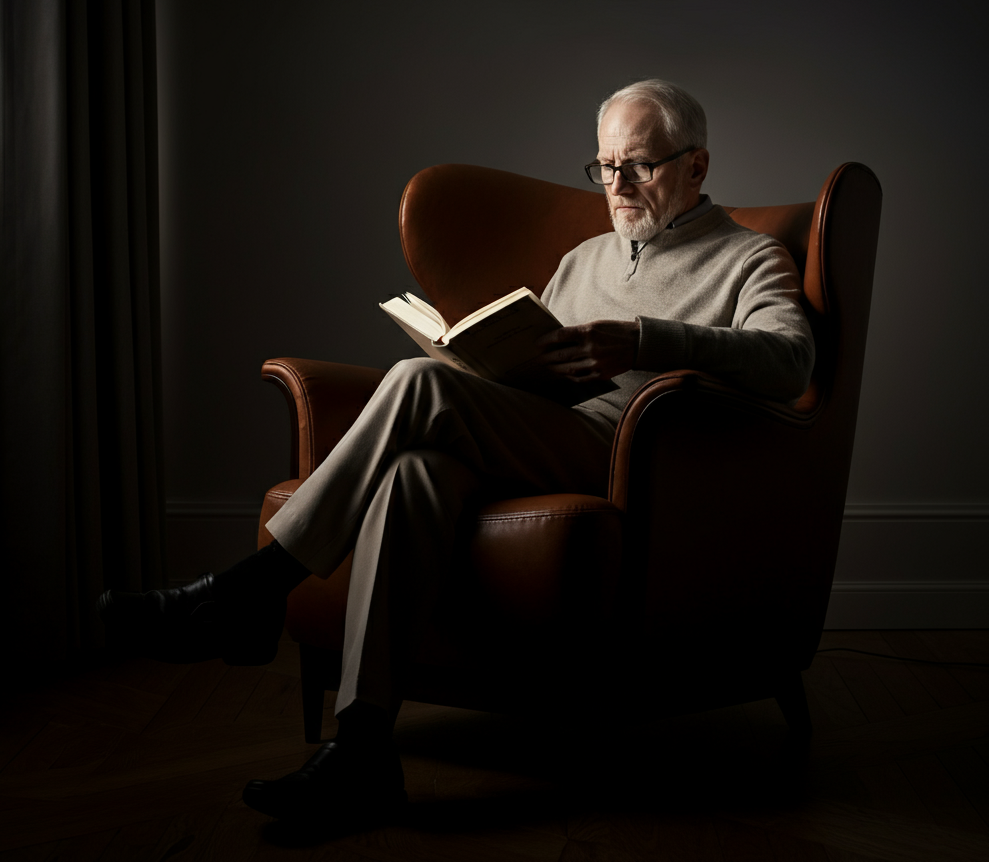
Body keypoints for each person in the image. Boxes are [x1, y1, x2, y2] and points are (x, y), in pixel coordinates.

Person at [98, 79, 815, 825]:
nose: (617, 185)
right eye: (605, 166)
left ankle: (252, 590)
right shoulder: (586, 256)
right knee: (415, 471)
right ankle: (364, 748)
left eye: (639, 165)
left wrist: (644, 338)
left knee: (416, 385)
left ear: (696, 167)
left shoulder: (748, 257)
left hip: (627, 458)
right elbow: (539, 364)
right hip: (542, 431)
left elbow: (791, 362)